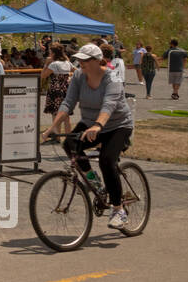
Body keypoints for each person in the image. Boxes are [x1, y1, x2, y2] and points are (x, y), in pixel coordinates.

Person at [43, 43, 135, 229]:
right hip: (90, 122)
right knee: (70, 145)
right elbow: (68, 102)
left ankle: (118, 210)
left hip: (117, 125)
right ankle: (96, 183)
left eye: (85, 60)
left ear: (98, 61)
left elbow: (109, 105)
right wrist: (52, 127)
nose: (80, 63)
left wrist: (98, 125)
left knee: (106, 160)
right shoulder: (78, 75)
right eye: (79, 59)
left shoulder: (112, 78)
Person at [41, 43, 73, 124]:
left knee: (55, 114)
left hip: (55, 90)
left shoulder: (54, 64)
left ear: (54, 53)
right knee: (66, 115)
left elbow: (43, 75)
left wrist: (46, 64)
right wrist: (70, 78)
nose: (49, 54)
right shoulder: (67, 62)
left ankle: (56, 135)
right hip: (66, 89)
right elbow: (77, 71)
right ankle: (68, 135)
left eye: (50, 52)